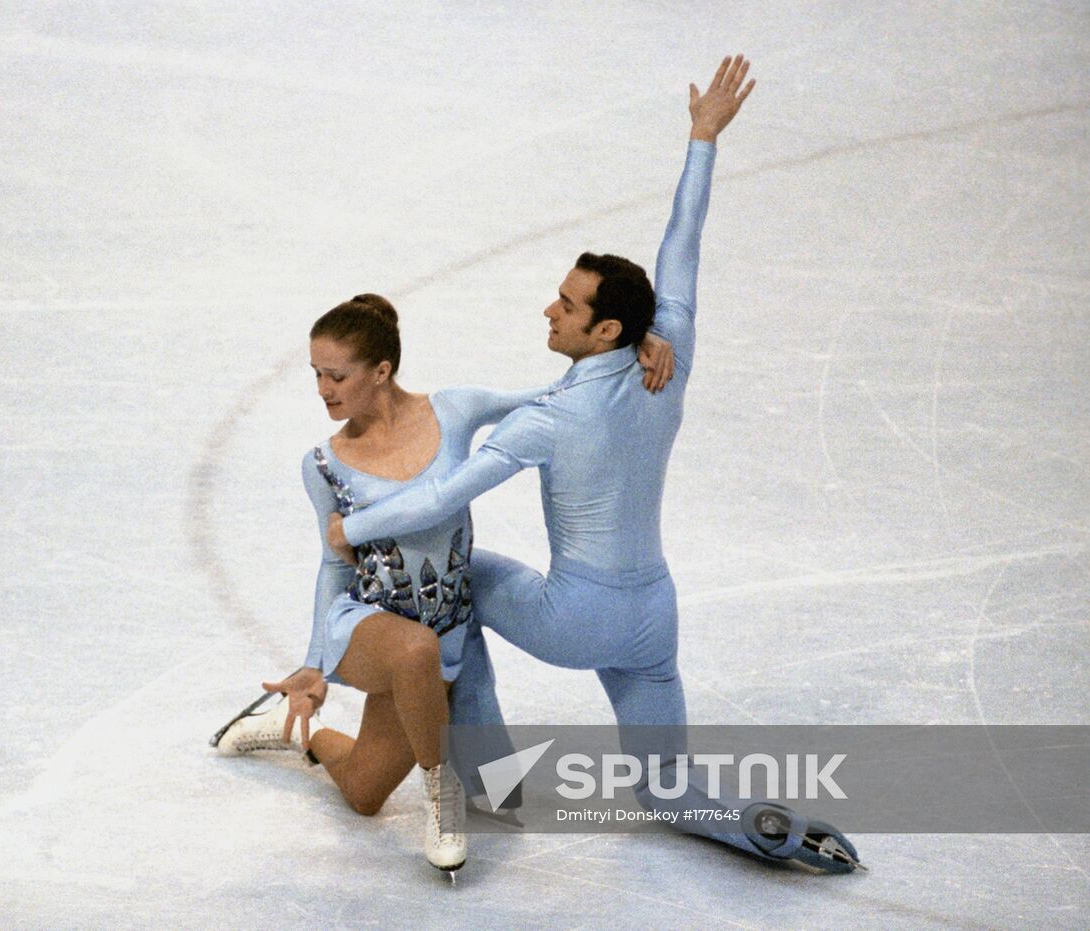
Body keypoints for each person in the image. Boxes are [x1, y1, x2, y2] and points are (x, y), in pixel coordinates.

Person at [325, 55, 863, 873]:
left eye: (568, 305)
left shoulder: (552, 417)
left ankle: (495, 784)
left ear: (606, 330)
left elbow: (439, 498)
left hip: (573, 617)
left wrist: (351, 525)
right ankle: (755, 828)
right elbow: (683, 243)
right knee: (668, 786)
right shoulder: (668, 350)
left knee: (454, 582)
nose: (551, 307)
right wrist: (701, 139)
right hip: (653, 616)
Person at [213, 294, 653, 872]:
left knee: (375, 794)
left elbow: (555, 396)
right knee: (412, 648)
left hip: (443, 636)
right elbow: (334, 565)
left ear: (382, 370)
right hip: (368, 625)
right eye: (316, 374)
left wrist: (636, 346)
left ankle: (298, 734)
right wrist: (315, 664)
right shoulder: (322, 463)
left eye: (337, 375)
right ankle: (439, 794)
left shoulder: (455, 410)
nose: (323, 389)